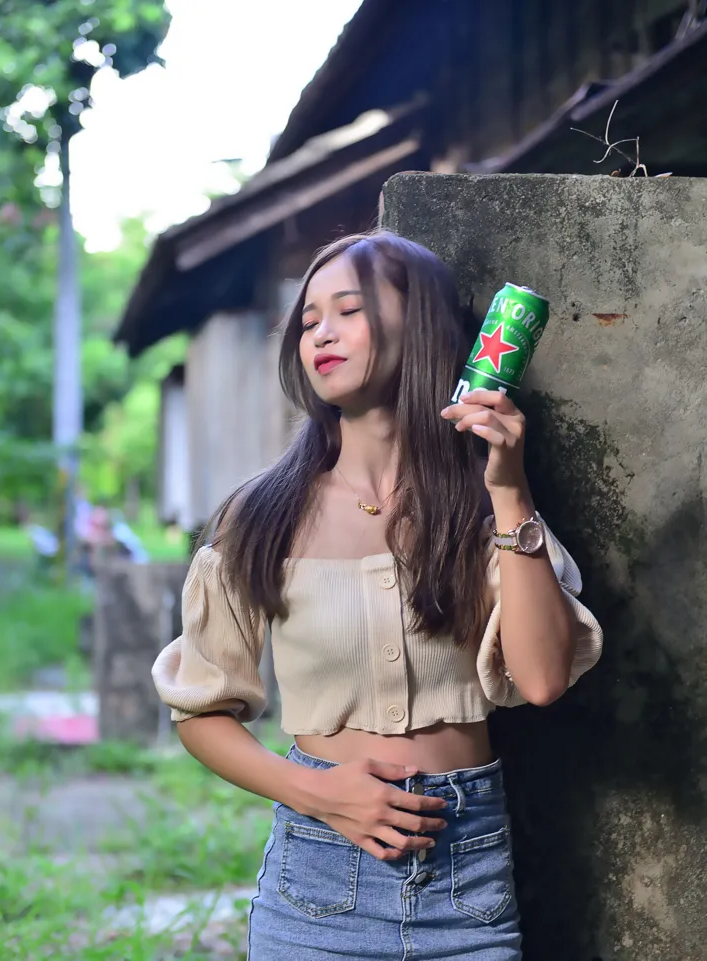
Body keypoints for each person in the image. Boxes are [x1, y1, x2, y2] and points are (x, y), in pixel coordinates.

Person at [152, 231, 603, 960]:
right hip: (317, 883)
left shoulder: (479, 504)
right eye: (308, 320)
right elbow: (200, 710)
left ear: (416, 322)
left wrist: (508, 489)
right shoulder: (259, 515)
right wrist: (317, 792)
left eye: (348, 310)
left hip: (469, 881)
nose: (321, 331)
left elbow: (544, 677)